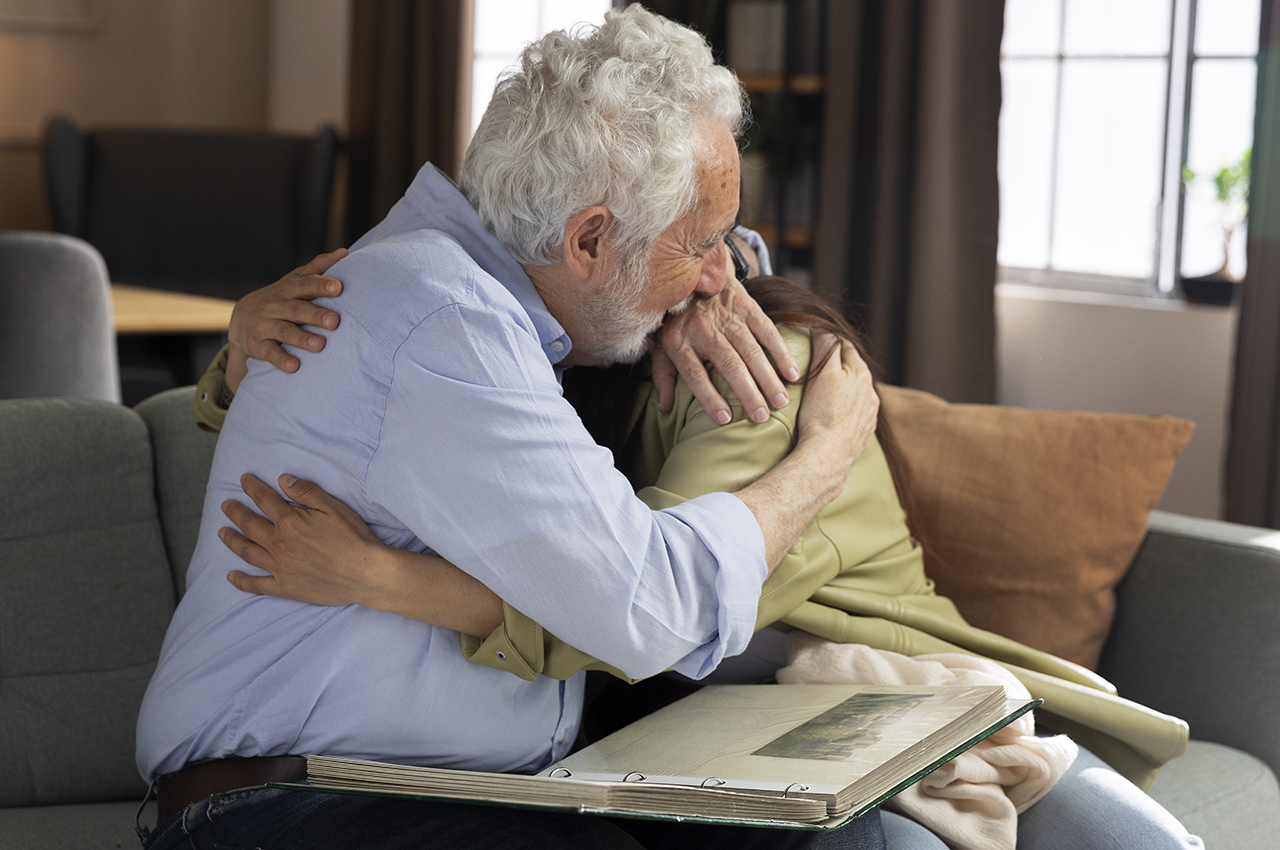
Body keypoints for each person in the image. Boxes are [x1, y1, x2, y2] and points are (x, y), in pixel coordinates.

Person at [135, 7, 887, 850]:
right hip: (287, 807)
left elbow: (693, 255)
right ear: (590, 239)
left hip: (455, 796)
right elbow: (656, 609)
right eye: (703, 245)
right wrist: (827, 454)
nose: (724, 273)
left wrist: (706, 277)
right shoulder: (445, 322)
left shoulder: (466, 278)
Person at [202, 266, 1205, 850]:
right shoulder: (544, 370)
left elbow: (648, 598)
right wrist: (240, 352)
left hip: (897, 700)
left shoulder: (756, 358)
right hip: (713, 738)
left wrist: (381, 579)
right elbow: (370, 390)